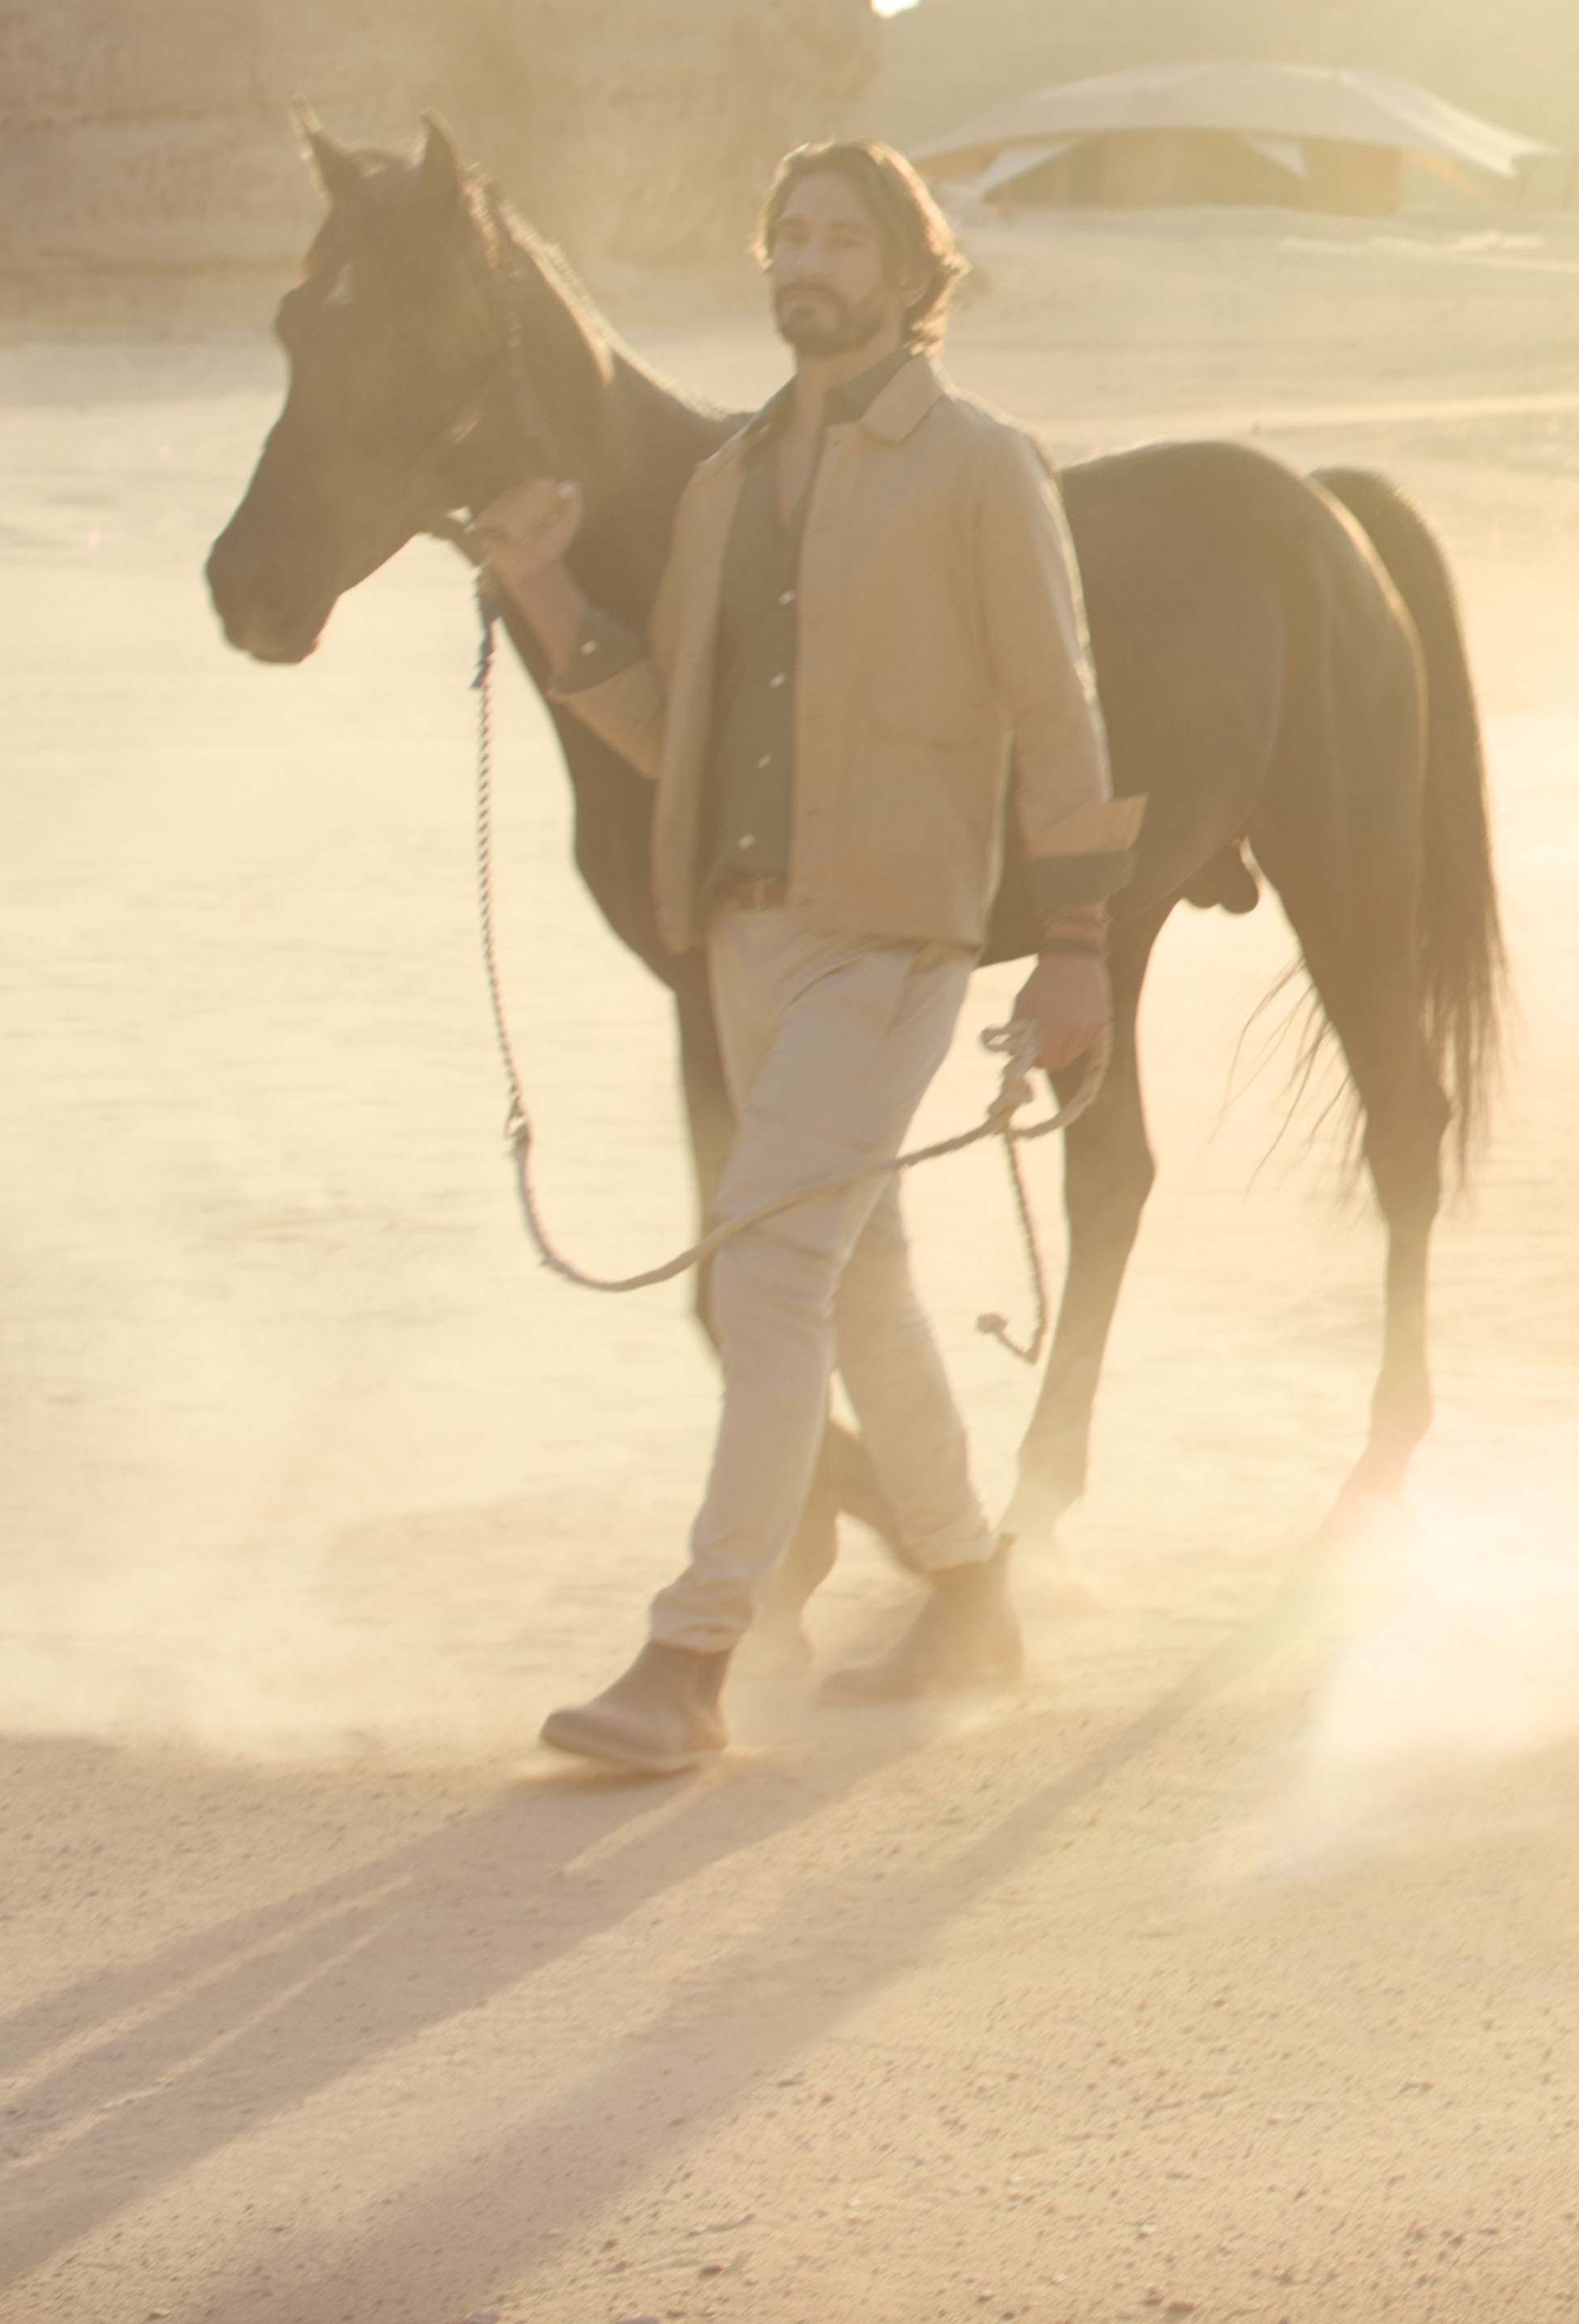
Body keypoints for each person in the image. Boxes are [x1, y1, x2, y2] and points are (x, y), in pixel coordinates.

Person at [451, 140, 1139, 1771]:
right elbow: (661, 722)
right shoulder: (724, 483)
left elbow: (1062, 714)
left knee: (762, 1271)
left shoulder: (980, 464)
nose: (810, 262)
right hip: (745, 935)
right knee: (862, 1283)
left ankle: (689, 1655)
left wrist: (1075, 944)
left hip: (891, 933)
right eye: (792, 236)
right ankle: (972, 1589)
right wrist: (543, 593)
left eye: (845, 238)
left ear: (913, 279)